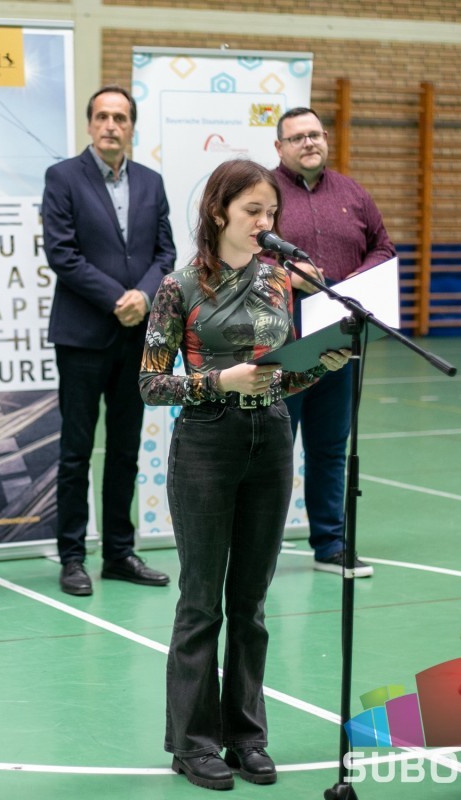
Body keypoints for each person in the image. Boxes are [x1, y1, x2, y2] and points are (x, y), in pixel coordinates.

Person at [139, 159, 350, 790]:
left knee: (251, 603)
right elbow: (151, 383)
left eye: (271, 212)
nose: (265, 222)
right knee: (202, 601)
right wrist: (217, 381)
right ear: (218, 212)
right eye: (253, 210)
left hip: (272, 437)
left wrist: (324, 362)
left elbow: (283, 375)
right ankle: (191, 744)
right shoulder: (178, 286)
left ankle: (247, 736)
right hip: (207, 441)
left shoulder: (280, 279)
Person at [41, 85, 176, 597]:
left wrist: (144, 296)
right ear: (90, 124)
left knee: (125, 450)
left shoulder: (151, 182)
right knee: (75, 451)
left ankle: (119, 552)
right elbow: (62, 253)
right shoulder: (63, 178)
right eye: (102, 116)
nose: (111, 125)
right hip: (82, 336)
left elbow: (165, 253)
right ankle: (72, 557)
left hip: (137, 335)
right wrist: (118, 298)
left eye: (120, 117)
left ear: (131, 126)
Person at [273, 106, 396, 578]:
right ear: (279, 147)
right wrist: (286, 276)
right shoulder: (262, 192)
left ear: (326, 139)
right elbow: (239, 252)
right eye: (297, 137)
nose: (309, 143)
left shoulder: (353, 194)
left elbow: (383, 247)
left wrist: (355, 283)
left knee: (329, 446)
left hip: (339, 336)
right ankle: (259, 548)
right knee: (274, 448)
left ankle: (331, 544)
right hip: (281, 338)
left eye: (315, 134)